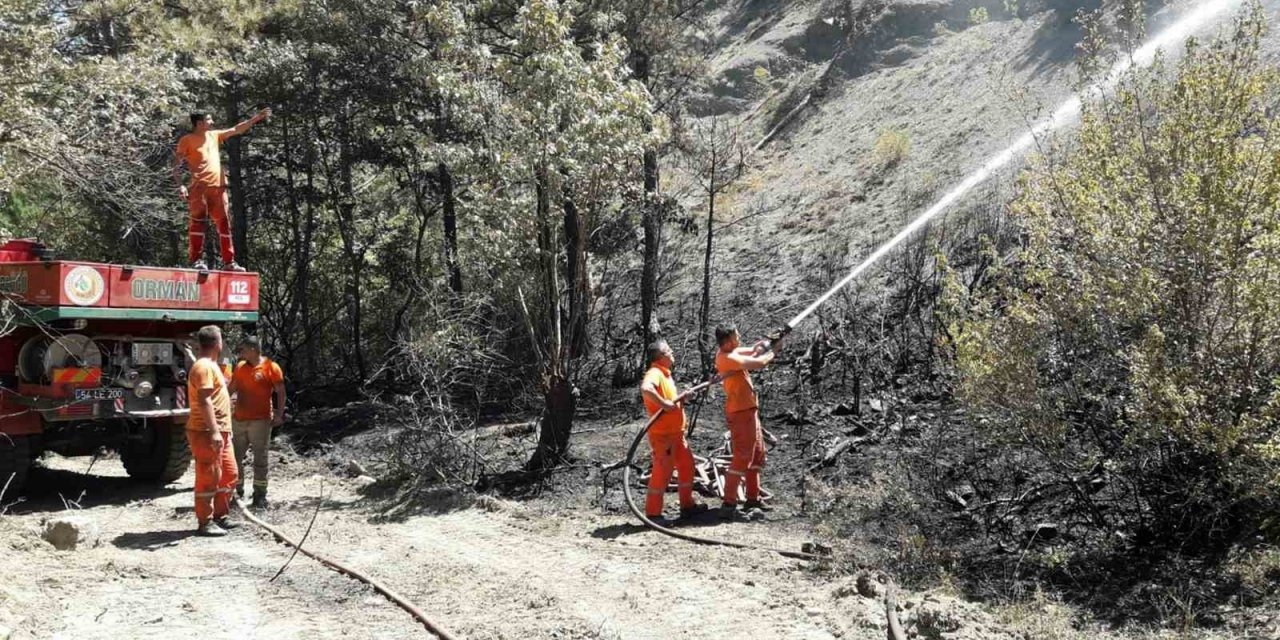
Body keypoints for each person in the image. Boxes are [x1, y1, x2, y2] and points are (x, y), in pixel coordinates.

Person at [172, 108, 271, 271]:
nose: (212, 122)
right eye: (209, 120)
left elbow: (236, 129)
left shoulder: (214, 135)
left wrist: (256, 119)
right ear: (199, 123)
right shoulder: (187, 140)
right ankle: (196, 260)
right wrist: (180, 185)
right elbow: (176, 165)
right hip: (199, 188)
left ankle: (229, 263)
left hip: (219, 188)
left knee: (224, 224)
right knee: (198, 223)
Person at [713, 324, 776, 520]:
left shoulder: (731, 351)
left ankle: (753, 499)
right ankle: (729, 503)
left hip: (749, 410)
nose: (740, 337)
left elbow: (752, 350)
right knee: (742, 456)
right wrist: (774, 351)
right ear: (730, 340)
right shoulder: (728, 358)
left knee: (757, 454)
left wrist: (766, 343)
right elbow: (759, 363)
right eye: (737, 335)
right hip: (740, 413)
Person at [639, 340, 706, 522]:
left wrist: (682, 399)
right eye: (668, 351)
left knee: (687, 466)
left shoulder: (666, 375)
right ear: (661, 357)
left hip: (676, 434)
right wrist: (663, 403)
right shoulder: (654, 373)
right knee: (662, 473)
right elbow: (646, 389)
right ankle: (653, 514)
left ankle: (687, 506)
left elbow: (671, 402)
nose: (672, 352)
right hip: (663, 437)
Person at [186, 325, 239, 537]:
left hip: (221, 431)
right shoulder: (204, 367)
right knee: (208, 476)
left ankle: (220, 516)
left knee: (229, 473)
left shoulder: (212, 366)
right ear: (219, 343)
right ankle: (204, 521)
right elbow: (204, 399)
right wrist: (215, 431)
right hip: (206, 431)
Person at [229, 336, 285, 509]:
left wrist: (278, 414)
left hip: (260, 421)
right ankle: (236, 492)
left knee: (260, 459)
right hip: (239, 420)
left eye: (243, 349)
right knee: (235, 457)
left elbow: (281, 392)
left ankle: (260, 495)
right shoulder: (239, 367)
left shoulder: (271, 367)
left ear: (253, 350)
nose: (240, 353)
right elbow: (231, 388)